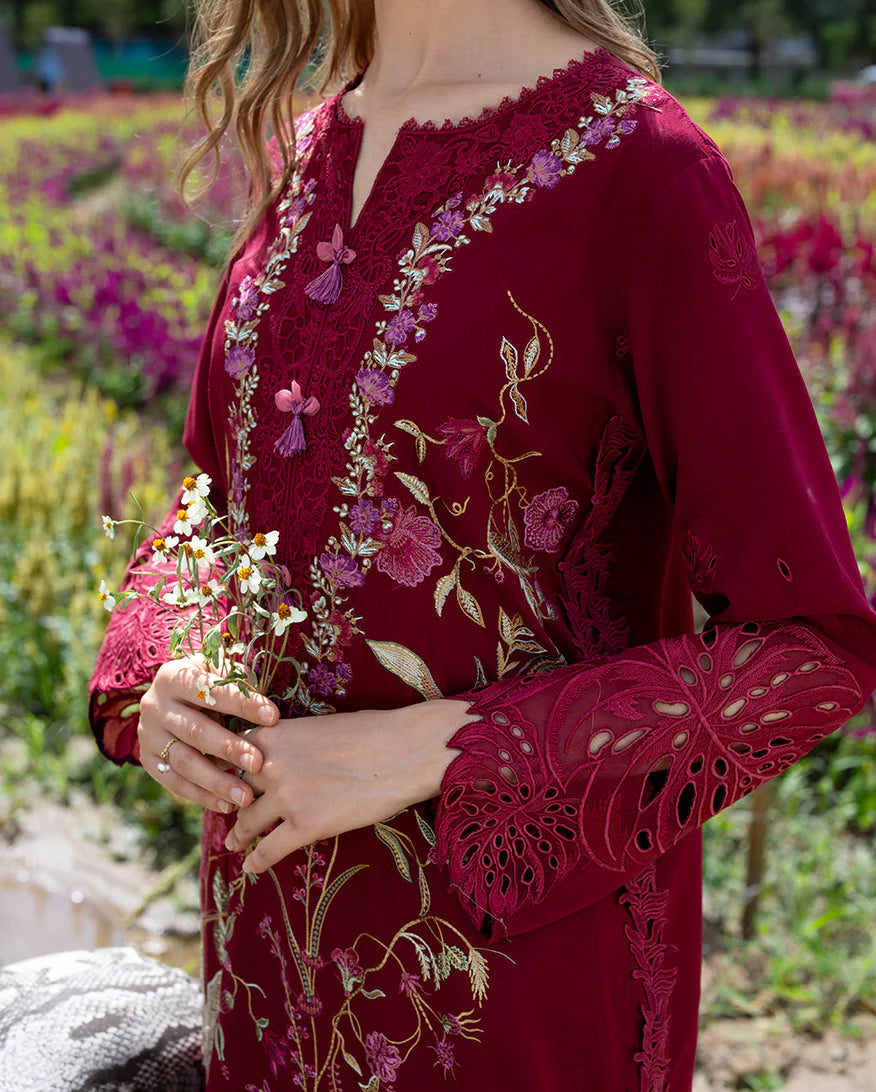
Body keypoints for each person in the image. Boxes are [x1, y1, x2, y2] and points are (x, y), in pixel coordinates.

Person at [88, 1, 876, 1089]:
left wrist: (441, 749)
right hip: (264, 970)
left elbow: (812, 650)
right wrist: (172, 664)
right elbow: (224, 500)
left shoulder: (641, 169)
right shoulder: (305, 149)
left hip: (509, 994)